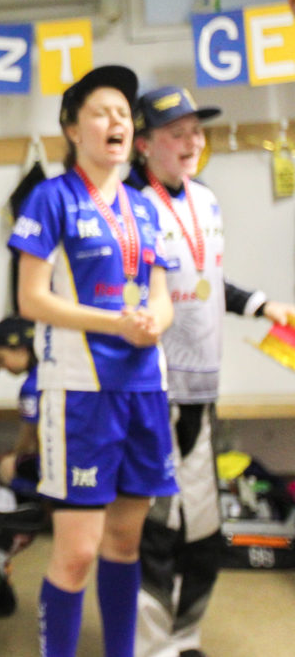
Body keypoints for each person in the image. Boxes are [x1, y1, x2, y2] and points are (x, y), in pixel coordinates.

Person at [9, 65, 177, 657]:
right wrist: (114, 324)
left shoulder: (146, 207)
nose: (117, 123)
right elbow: (30, 298)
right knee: (77, 552)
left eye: (125, 115)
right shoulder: (50, 198)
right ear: (71, 127)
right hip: (78, 393)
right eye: (102, 112)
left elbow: (160, 292)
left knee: (125, 544)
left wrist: (156, 318)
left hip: (144, 390)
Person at [126, 85, 295, 657]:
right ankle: (150, 647)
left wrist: (261, 304)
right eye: (177, 133)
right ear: (144, 144)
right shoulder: (126, 205)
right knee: (157, 526)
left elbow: (204, 283)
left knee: (202, 528)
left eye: (197, 130)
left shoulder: (205, 200)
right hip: (150, 393)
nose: (193, 141)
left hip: (203, 388)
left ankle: (183, 636)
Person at [0, 315, 40, 497]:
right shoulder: (51, 372)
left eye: (1, 358)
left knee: (6, 467)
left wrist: (11, 458)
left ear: (21, 349)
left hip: (63, 464)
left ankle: (37, 508)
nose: (0, 367)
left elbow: (29, 440)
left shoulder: (31, 387)